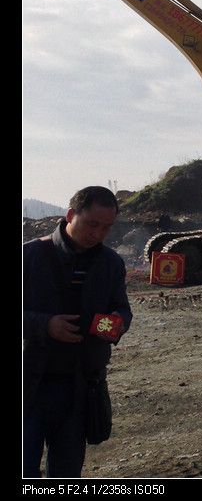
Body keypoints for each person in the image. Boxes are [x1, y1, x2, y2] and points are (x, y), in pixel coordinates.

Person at [23, 186, 133, 478]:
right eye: (92, 224)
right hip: (29, 386)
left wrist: (114, 325)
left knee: (67, 475)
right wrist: (45, 325)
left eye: (107, 228)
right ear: (71, 215)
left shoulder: (111, 264)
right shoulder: (30, 257)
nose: (98, 234)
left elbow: (122, 310)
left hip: (79, 389)